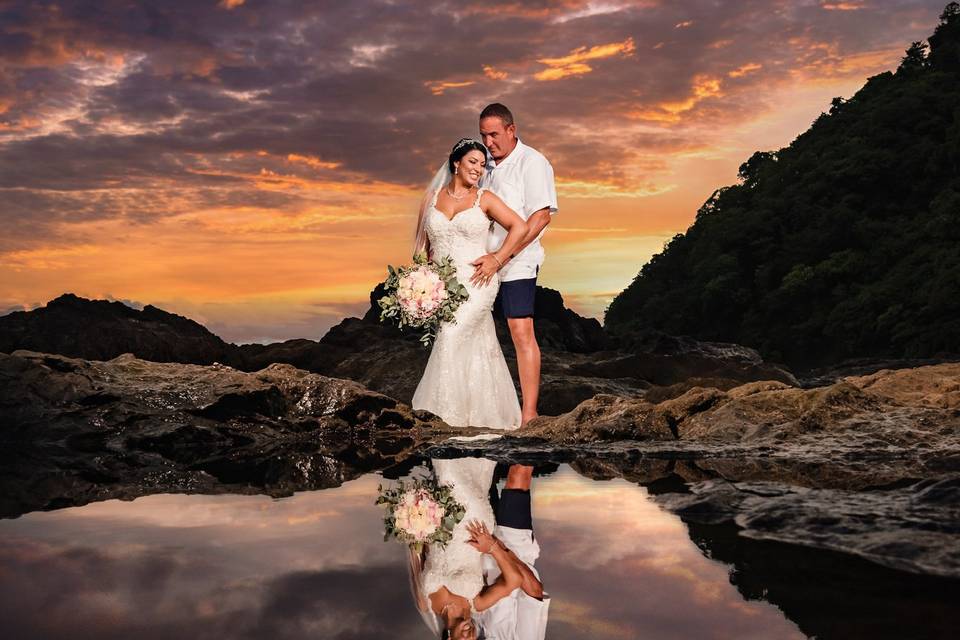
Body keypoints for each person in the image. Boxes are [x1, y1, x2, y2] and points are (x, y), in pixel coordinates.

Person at [411, 138, 529, 430]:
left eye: (483, 164)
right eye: (472, 162)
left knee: (451, 338)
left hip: (478, 283)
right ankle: (481, 417)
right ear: (456, 162)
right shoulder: (431, 198)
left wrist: (497, 259)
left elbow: (520, 227)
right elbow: (420, 250)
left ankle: (445, 420)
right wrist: (419, 285)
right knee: (471, 346)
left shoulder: (484, 199)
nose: (478, 169)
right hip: (442, 289)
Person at [477, 104, 558, 426]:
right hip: (481, 262)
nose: (489, 141)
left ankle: (529, 414)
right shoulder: (482, 166)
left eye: (494, 134)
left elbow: (539, 217)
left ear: (511, 130)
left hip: (517, 262)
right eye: (483, 135)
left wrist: (503, 257)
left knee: (520, 331)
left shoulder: (533, 163)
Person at [408, 458, 527, 638]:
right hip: (473, 523)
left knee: (445, 466)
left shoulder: (425, 604)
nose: (470, 637)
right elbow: (515, 580)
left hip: (440, 517)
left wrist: (418, 519)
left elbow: (416, 551)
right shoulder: (477, 603)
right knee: (451, 471)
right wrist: (492, 547)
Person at [478, 464, 550, 639]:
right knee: (519, 473)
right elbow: (534, 591)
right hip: (513, 544)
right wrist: (498, 548)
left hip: (481, 546)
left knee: (482, 475)